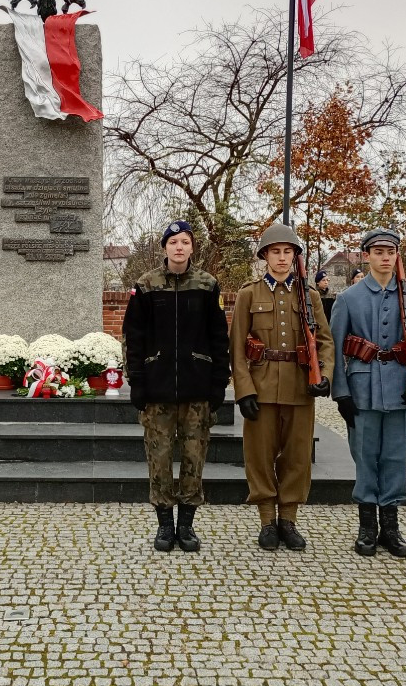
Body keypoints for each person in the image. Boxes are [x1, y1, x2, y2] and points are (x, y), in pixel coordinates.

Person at [123, 220, 230, 553]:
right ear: (164, 248)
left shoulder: (208, 284)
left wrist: (219, 383)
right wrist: (136, 381)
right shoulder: (146, 285)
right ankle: (164, 525)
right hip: (157, 389)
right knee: (159, 458)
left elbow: (218, 337)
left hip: (197, 388)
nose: (179, 247)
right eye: (173, 242)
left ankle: (187, 525)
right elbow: (133, 337)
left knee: (194, 458)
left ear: (192, 247)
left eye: (185, 241)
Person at [329, 229, 406, 558]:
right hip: (362, 389)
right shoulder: (349, 299)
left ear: (397, 256)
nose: (385, 257)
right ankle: (366, 527)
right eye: (377, 251)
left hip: (403, 388)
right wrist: (341, 392)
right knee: (364, 458)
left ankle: (390, 526)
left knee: (395, 457)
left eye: (390, 251)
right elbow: (334, 349)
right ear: (366, 256)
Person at [229, 224, 334, 551]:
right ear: (264, 256)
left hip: (300, 386)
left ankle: (288, 519)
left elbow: (325, 342)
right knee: (259, 455)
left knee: (297, 455)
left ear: (295, 256)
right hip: (261, 386)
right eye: (275, 251)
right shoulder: (249, 294)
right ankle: (266, 521)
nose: (282, 257)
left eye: (288, 252)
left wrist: (324, 375)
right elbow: (236, 348)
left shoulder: (310, 296)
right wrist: (244, 390)